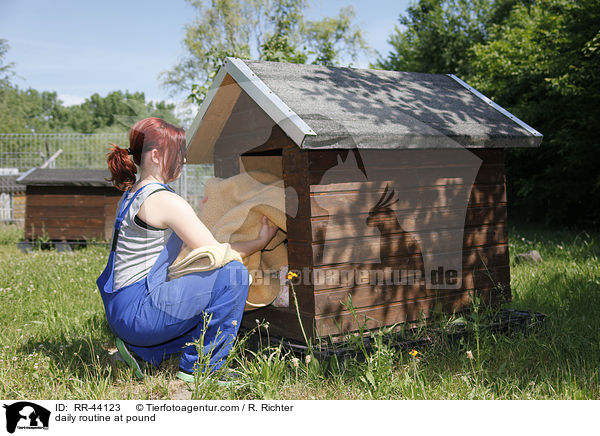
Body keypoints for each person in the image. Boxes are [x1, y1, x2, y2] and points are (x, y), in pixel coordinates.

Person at [96, 117, 278, 382]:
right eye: (179, 153)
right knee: (234, 275)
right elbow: (217, 255)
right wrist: (259, 243)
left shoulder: (133, 193)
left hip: (121, 310)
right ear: (157, 155)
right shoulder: (165, 201)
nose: (183, 160)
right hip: (137, 313)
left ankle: (142, 352)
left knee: (200, 295)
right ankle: (203, 369)